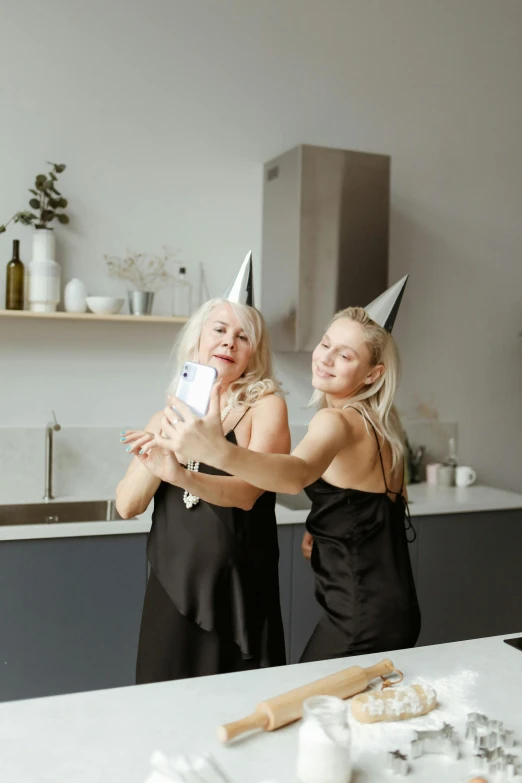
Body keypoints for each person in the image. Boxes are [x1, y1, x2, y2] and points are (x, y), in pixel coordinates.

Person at [137, 277, 421, 662]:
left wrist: (218, 452)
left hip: (359, 612)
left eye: (346, 355)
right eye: (325, 344)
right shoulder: (384, 426)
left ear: (373, 374)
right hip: (391, 604)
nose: (325, 357)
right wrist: (326, 527)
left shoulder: (336, 423)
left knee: (308, 712)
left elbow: (294, 476)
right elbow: (379, 503)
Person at [117, 256, 290, 681]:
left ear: (253, 354)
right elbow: (126, 505)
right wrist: (156, 456)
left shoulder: (265, 408)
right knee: (162, 710)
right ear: (198, 340)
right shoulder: (167, 416)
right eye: (219, 330)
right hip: (172, 590)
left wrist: (182, 474)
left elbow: (249, 493)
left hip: (239, 594)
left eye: (242, 336)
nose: (229, 342)